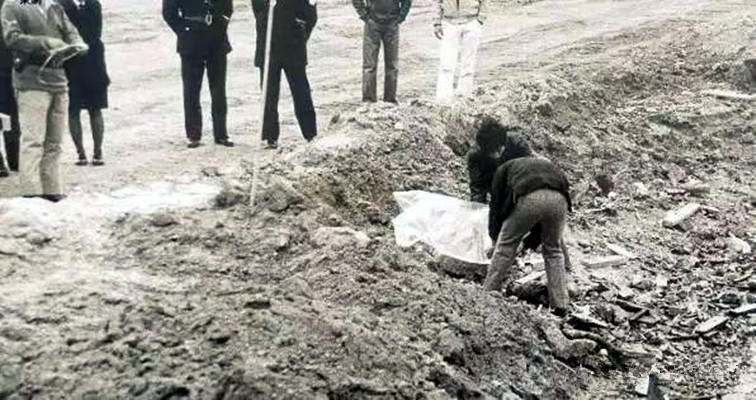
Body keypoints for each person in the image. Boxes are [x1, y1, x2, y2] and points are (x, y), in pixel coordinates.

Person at [1, 0, 87, 202]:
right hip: (31, 80)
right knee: (33, 140)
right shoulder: (12, 6)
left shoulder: (54, 6)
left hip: (58, 79)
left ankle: (52, 189)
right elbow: (12, 38)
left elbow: (71, 30)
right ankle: (31, 192)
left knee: (54, 142)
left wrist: (77, 44)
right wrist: (46, 42)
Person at [484, 153, 573, 315]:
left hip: (530, 196)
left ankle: (488, 292)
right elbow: (542, 218)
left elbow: (495, 208)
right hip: (561, 199)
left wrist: (494, 238)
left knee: (506, 246)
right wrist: (529, 244)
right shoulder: (539, 165)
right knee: (553, 250)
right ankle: (560, 304)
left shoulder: (502, 170)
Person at [163, 0, 234, 149]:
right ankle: (193, 134)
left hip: (217, 37)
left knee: (219, 89)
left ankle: (221, 133)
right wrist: (184, 31)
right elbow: (169, 13)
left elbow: (227, 7)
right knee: (191, 90)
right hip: (191, 39)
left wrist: (221, 23)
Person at [253, 0, 317, 149]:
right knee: (268, 94)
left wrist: (300, 34)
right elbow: (258, 10)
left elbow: (311, 15)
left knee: (301, 92)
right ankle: (270, 136)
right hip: (268, 47)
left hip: (293, 47)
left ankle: (310, 133)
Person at [59, 0, 109, 166]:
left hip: (93, 63)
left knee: (96, 108)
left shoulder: (94, 4)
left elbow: (96, 32)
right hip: (70, 64)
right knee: (73, 110)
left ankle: (98, 151)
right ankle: (80, 153)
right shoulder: (60, 5)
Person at [351, 0, 411, 103]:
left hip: (392, 24)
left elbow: (407, 1)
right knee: (369, 65)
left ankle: (390, 101)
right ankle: (368, 100)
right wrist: (364, 15)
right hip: (372, 23)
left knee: (392, 65)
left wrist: (401, 16)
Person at [433, 0, 487, 105]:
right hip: (449, 23)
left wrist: (481, 18)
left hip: (471, 22)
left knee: (468, 64)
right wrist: (436, 22)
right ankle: (443, 101)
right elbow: (436, 2)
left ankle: (465, 98)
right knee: (446, 64)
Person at [0, 0, 19, 178]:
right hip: (9, 68)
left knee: (10, 115)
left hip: (8, 69)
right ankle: (14, 159)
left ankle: (11, 160)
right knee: (11, 114)